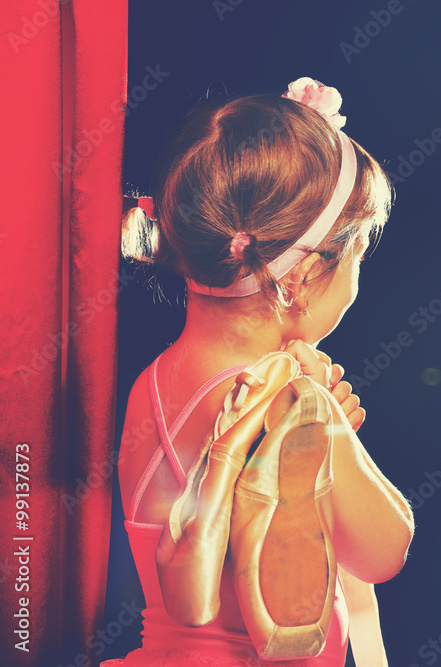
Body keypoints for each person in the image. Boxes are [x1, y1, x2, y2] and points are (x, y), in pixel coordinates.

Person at [103, 77, 415, 666]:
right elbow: (384, 549)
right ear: (297, 279)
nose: (357, 276)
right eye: (358, 255)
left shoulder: (154, 382)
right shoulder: (280, 401)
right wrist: (333, 434)